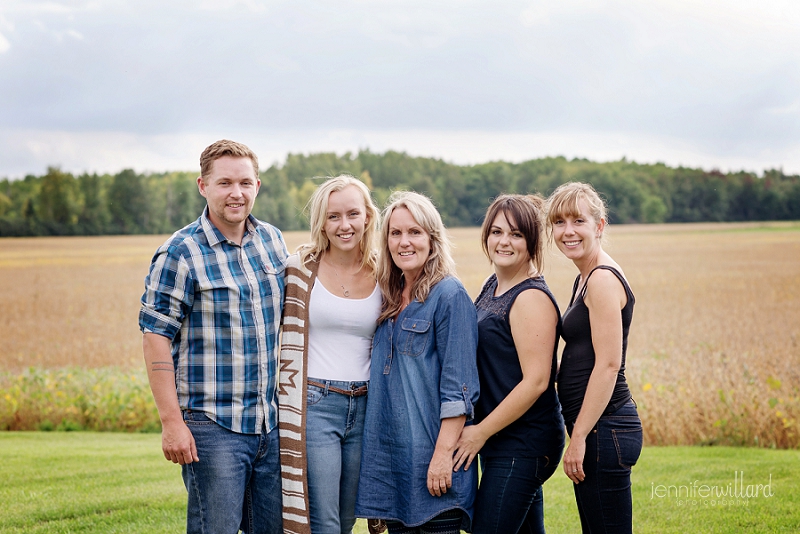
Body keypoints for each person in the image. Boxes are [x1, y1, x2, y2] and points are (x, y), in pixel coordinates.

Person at [139, 139, 287, 534]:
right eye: (224, 183)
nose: (235, 193)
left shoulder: (271, 241)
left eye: (244, 182)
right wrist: (172, 423)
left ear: (258, 185)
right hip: (211, 427)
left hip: (270, 426)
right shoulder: (180, 252)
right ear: (203, 186)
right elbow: (156, 336)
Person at [355, 191, 480, 534]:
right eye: (395, 233)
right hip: (393, 473)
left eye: (415, 233)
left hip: (435, 468)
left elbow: (459, 390)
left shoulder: (449, 295)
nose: (404, 242)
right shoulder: (386, 297)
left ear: (432, 240)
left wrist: (442, 458)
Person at [453, 194, 565, 534]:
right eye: (497, 231)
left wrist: (479, 433)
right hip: (503, 440)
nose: (504, 242)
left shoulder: (530, 298)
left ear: (531, 241)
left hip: (524, 443)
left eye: (516, 234)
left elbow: (536, 382)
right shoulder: (495, 284)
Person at [277, 175, 382, 534]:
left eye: (353, 213)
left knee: (350, 516)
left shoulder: (386, 272)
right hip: (317, 402)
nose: (344, 225)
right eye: (333, 216)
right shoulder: (300, 269)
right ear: (321, 222)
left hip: (368, 405)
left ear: (367, 216)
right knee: (324, 520)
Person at [545, 182, 643, 533]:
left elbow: (608, 364)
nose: (567, 231)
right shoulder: (585, 275)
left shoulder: (601, 279)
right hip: (600, 429)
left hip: (606, 429)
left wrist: (580, 436)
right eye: (559, 222)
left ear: (599, 226)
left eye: (578, 221)